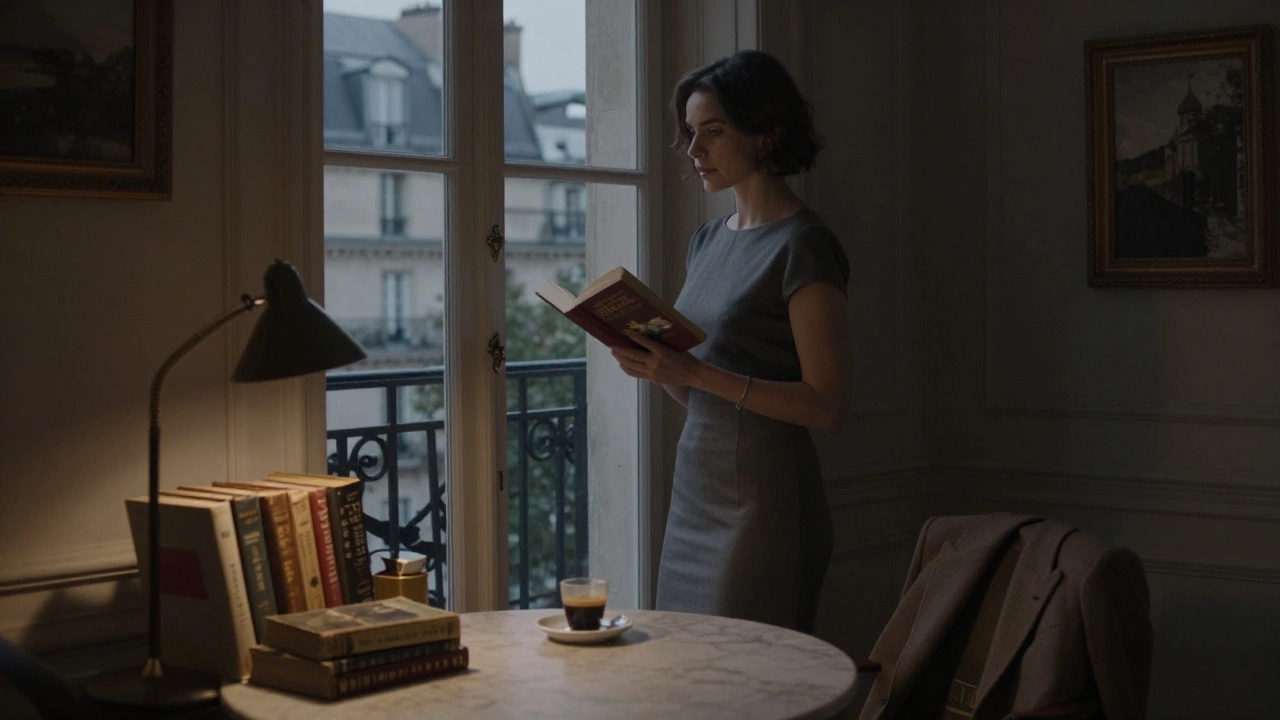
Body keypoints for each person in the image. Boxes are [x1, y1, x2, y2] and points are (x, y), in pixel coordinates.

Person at [610, 50, 852, 634]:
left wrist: (694, 374)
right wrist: (662, 368)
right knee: (690, 674)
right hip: (696, 488)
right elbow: (708, 393)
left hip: (765, 503)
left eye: (712, 133)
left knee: (748, 684)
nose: (694, 152)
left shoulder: (804, 245)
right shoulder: (706, 241)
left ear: (767, 135)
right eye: (690, 134)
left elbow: (827, 405)